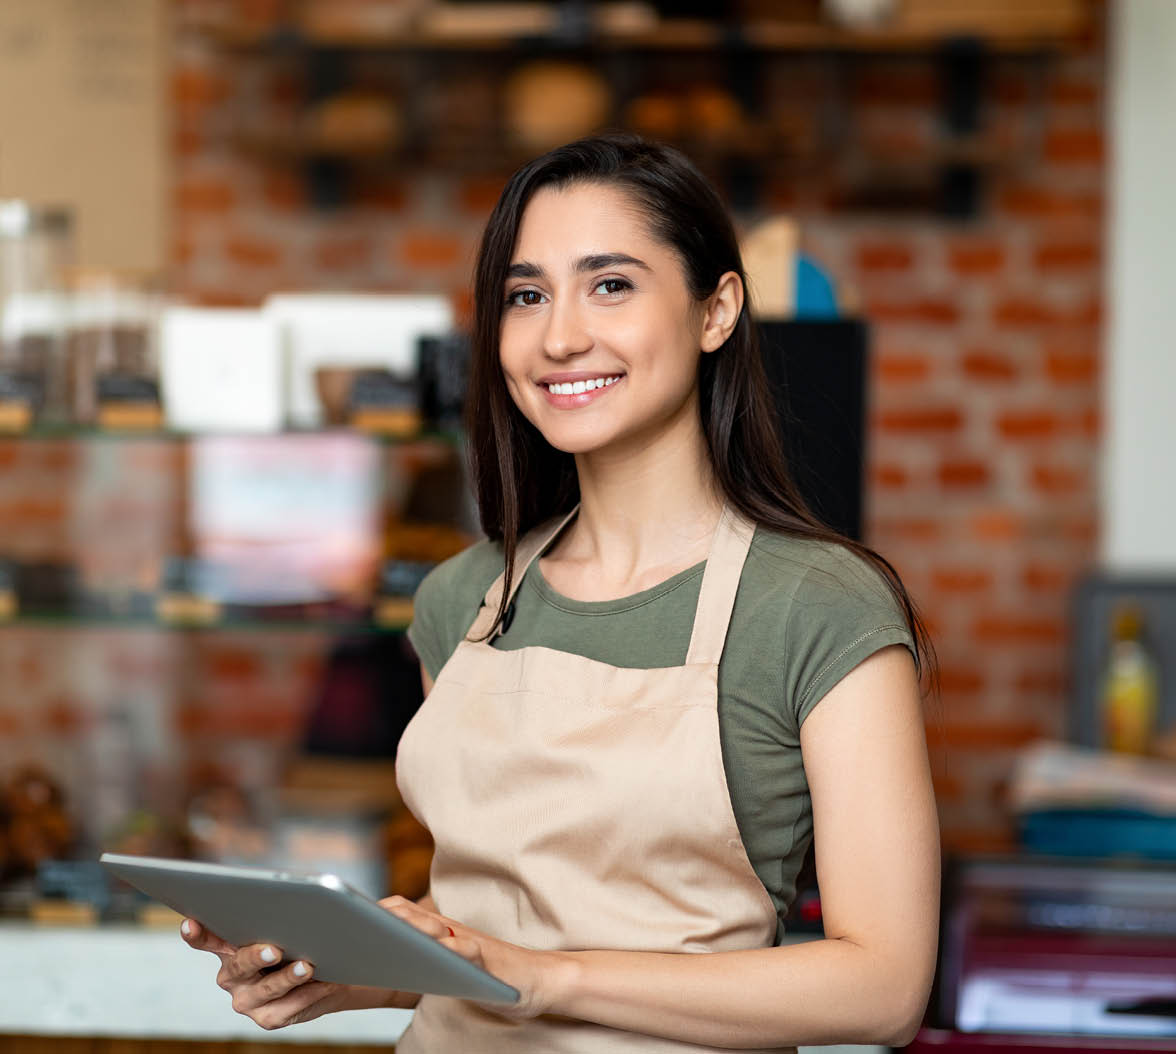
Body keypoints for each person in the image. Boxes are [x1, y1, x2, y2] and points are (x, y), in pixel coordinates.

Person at [182, 132, 941, 1052]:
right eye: (526, 295)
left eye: (610, 284)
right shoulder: (462, 597)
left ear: (717, 309)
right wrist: (348, 964)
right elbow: (498, 924)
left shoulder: (818, 606)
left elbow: (884, 985)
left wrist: (546, 980)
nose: (560, 336)